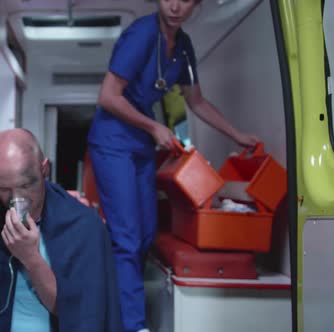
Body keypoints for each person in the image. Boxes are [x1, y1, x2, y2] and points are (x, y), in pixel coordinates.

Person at [86, 1, 260, 332]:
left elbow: (196, 101)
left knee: (147, 233)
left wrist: (236, 134)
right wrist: (154, 128)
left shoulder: (183, 47)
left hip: (138, 144)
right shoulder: (141, 35)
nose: (176, 5)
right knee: (126, 237)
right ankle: (132, 324)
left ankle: (121, 306)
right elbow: (108, 96)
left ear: (197, 4)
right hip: (112, 141)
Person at [0, 129, 123, 332]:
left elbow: (80, 315)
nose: (17, 200)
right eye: (4, 189)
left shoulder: (83, 226)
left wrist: (31, 258)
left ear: (44, 169)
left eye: (26, 185)